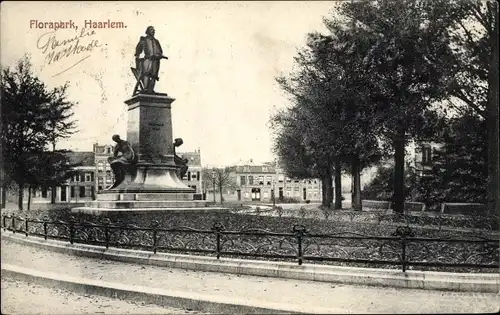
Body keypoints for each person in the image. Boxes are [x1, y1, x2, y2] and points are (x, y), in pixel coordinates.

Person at [134, 26, 168, 93]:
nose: (153, 31)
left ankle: (151, 89)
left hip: (156, 60)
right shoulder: (144, 40)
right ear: (148, 31)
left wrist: (160, 55)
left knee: (154, 75)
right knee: (146, 73)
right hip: (148, 59)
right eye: (151, 30)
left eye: (154, 30)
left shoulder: (156, 41)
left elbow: (160, 51)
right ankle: (146, 88)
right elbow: (138, 49)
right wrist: (137, 56)